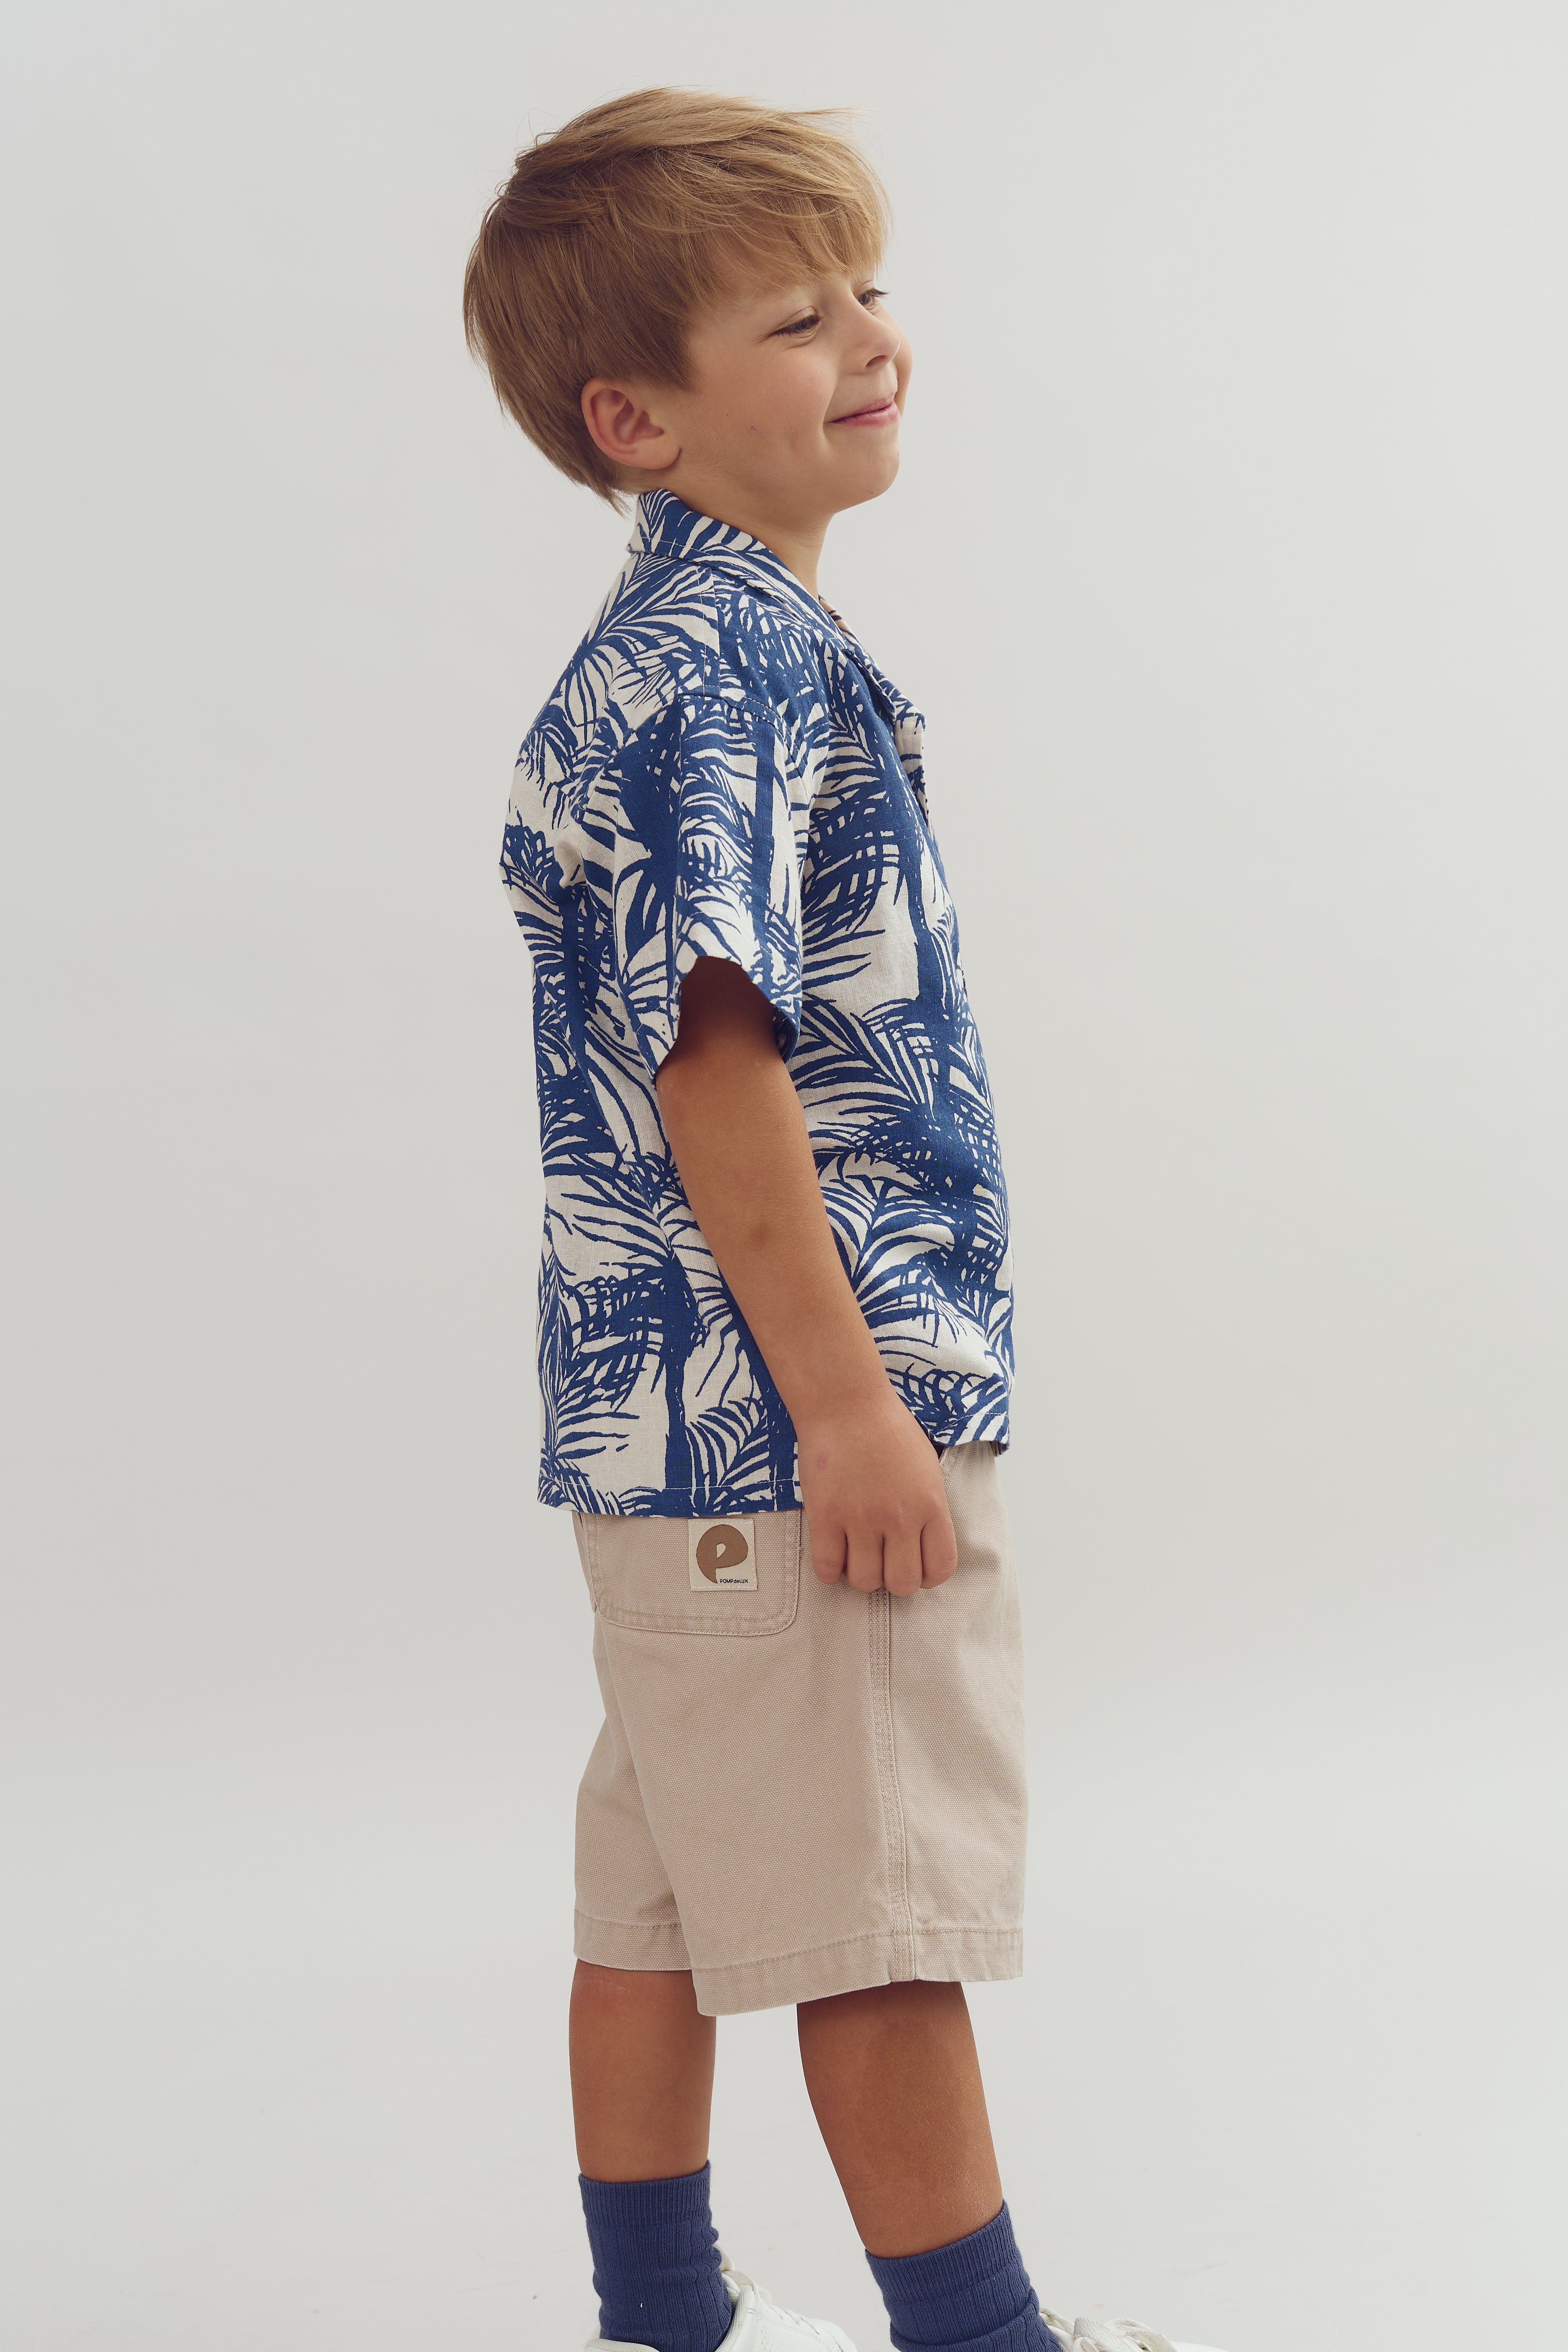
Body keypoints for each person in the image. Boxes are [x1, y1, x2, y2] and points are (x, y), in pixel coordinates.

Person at [464, 88, 1227, 2352]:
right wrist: (855, 1410)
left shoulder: (689, 654)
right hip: (787, 1434)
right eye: (796, 317)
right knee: (876, 1914)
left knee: (676, 1897)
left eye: (869, 288)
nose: (872, 339)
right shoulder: (728, 671)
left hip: (664, 1454)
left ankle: (664, 2322)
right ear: (641, 416)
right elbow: (719, 1072)